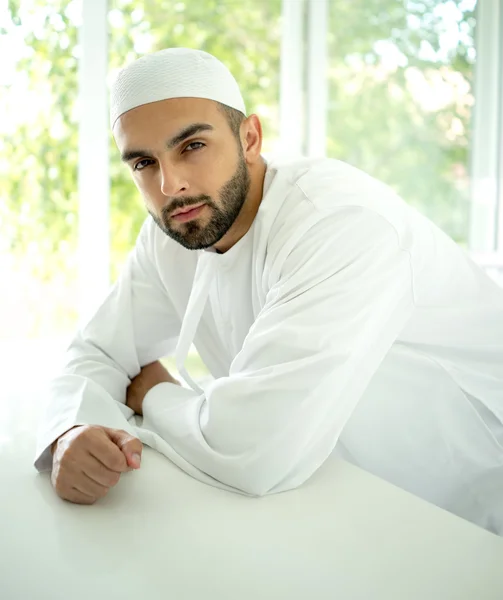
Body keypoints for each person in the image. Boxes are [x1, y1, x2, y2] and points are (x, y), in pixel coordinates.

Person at [35, 48, 503, 534]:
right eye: (143, 163)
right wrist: (73, 429)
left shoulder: (338, 223)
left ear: (250, 137)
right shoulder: (174, 232)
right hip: (341, 503)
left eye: (191, 146)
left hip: (469, 510)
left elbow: (254, 451)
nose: (170, 183)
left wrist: (154, 392)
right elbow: (97, 349)